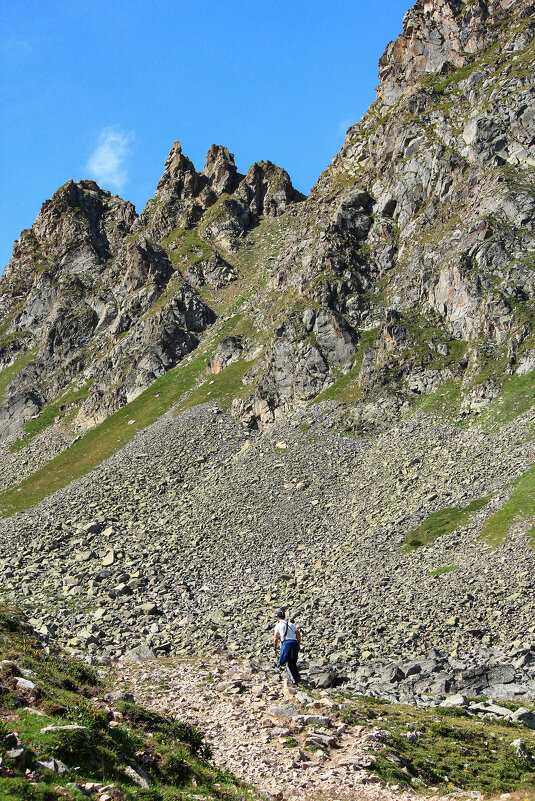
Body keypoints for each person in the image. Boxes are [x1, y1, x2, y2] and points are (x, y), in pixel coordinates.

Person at [273, 610, 301, 685]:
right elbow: (298, 633)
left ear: (278, 618)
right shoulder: (291, 624)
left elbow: (275, 638)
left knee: (286, 662)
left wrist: (275, 649)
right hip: (294, 643)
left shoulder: (278, 625)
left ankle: (293, 680)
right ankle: (297, 677)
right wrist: (298, 644)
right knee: (293, 661)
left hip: (286, 643)